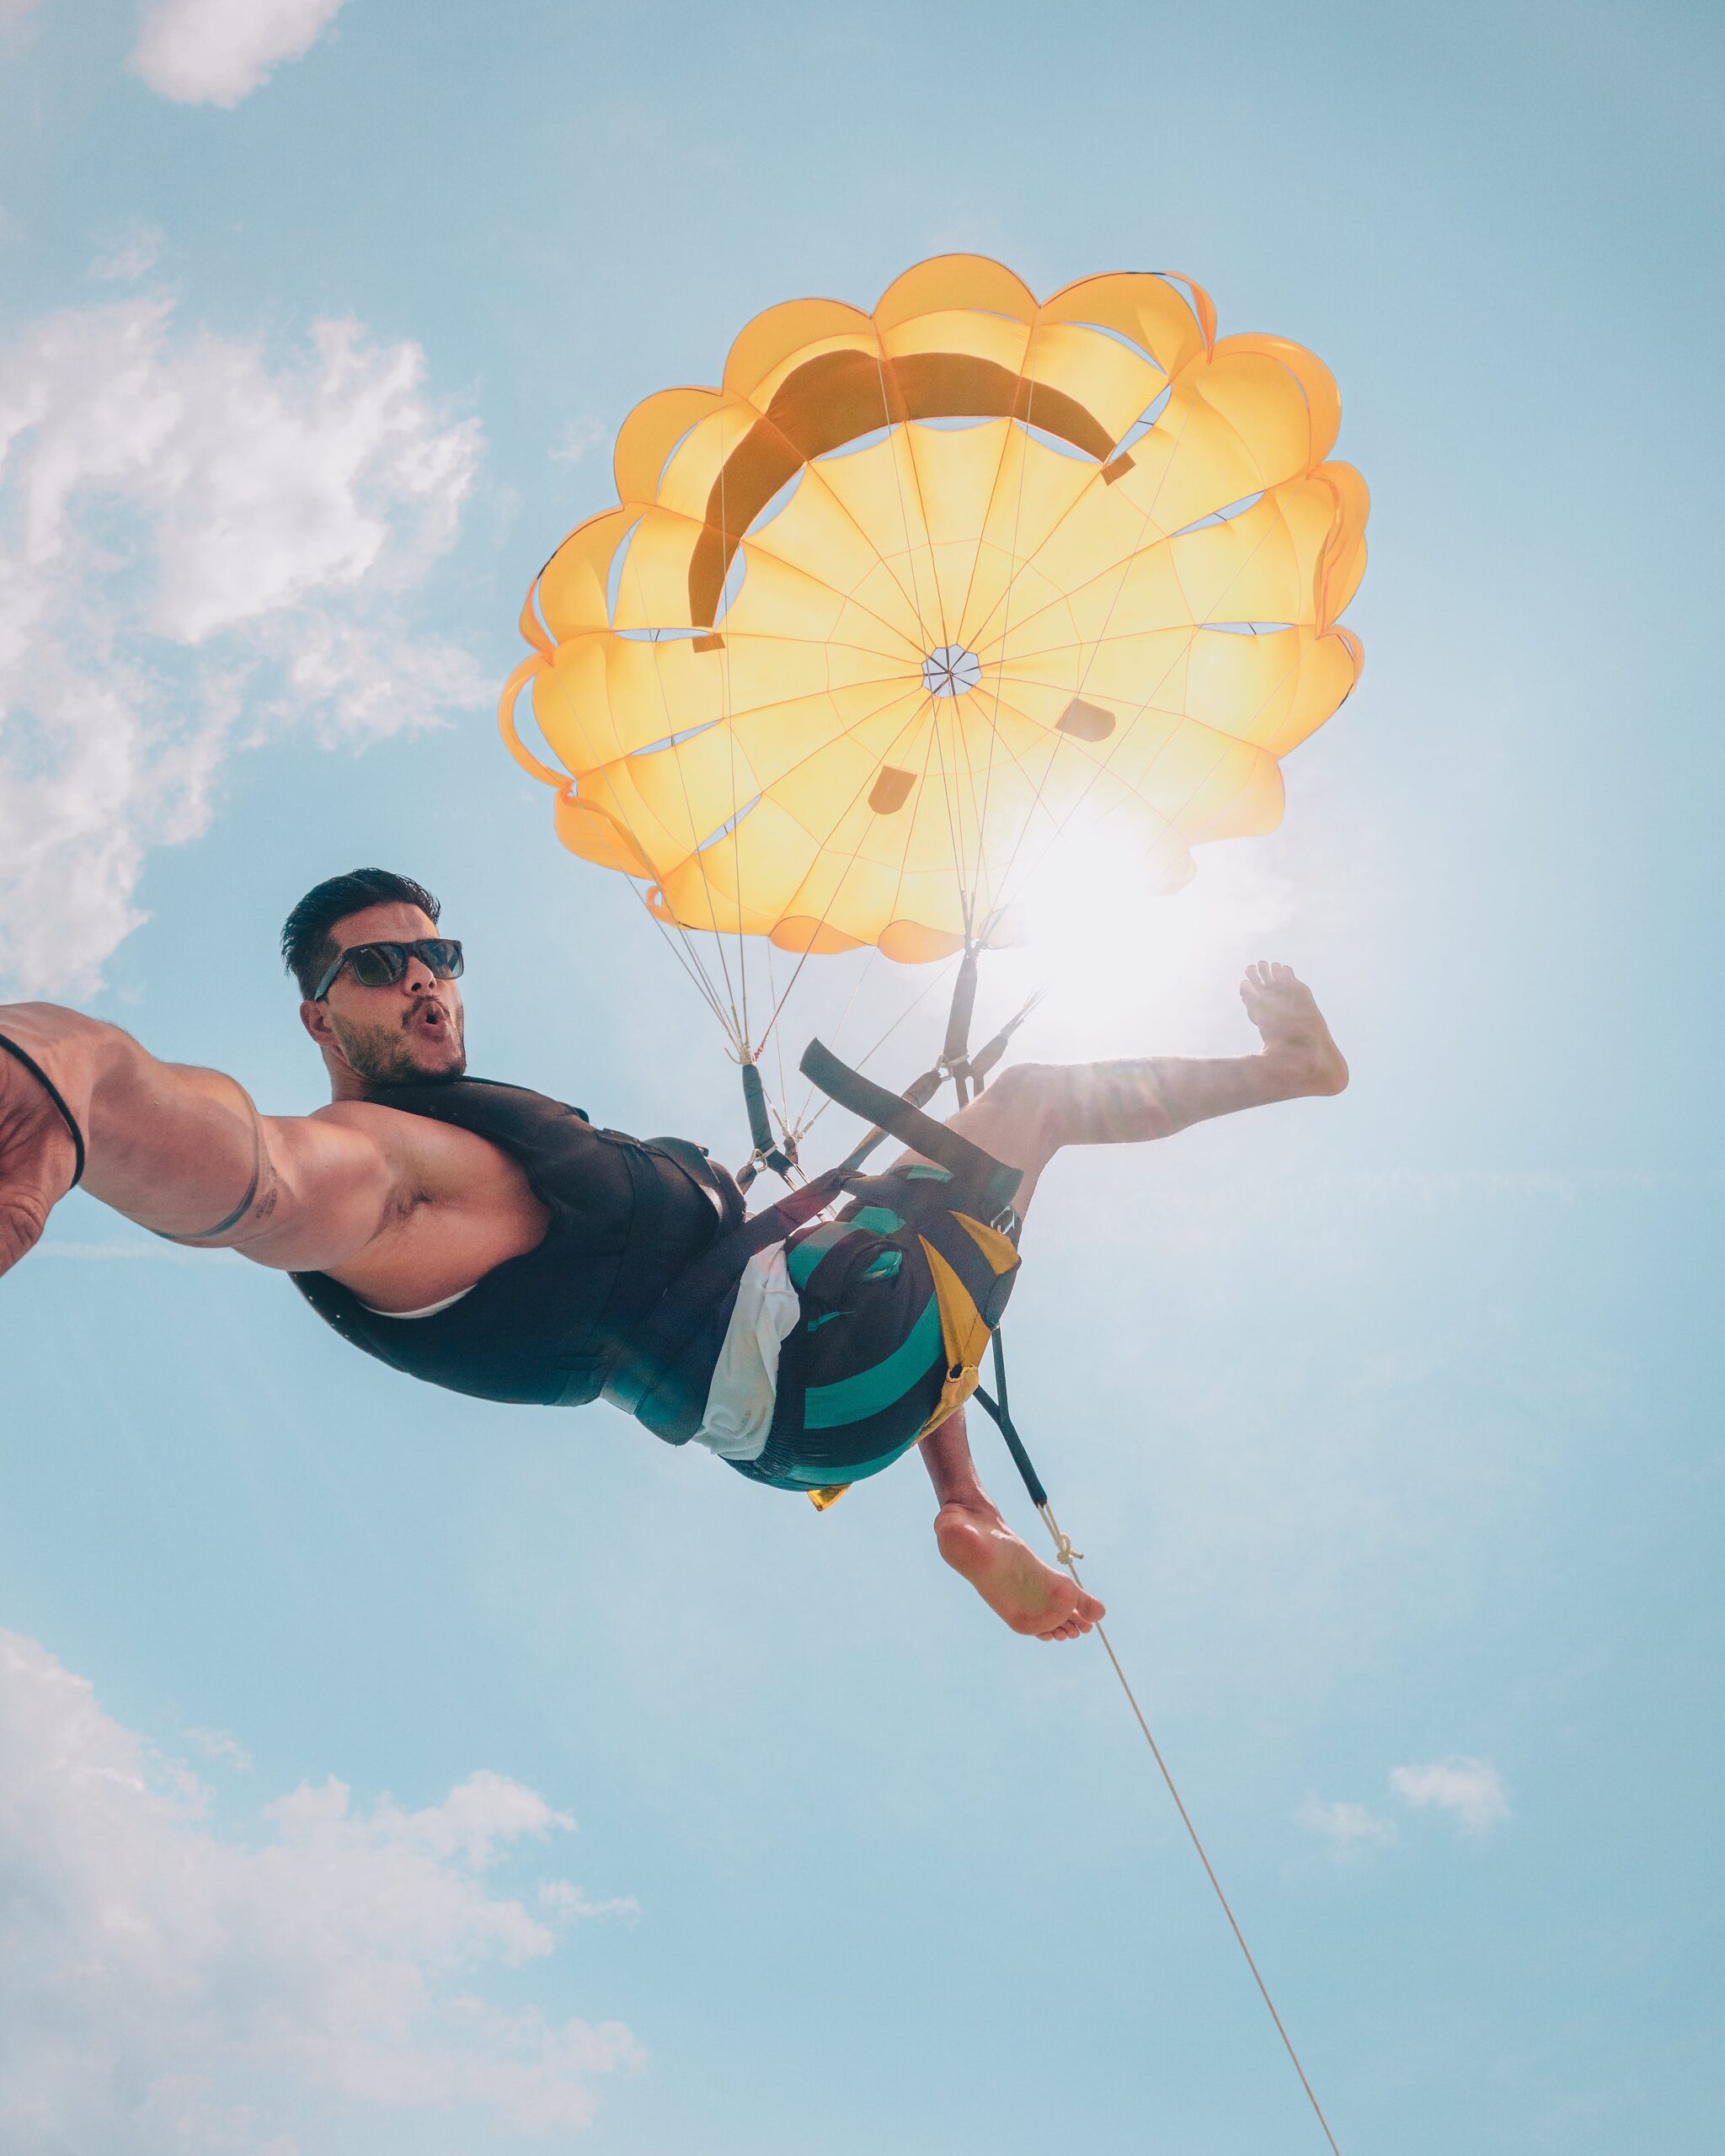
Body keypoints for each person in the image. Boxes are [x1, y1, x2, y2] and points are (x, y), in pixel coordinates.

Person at [0, 868, 1349, 1644]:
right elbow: (265, 1177)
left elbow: (846, 1269)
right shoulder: (398, 1170)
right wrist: (81, 1085)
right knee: (1039, 1099)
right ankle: (1296, 1072)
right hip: (817, 1366)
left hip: (810, 1366)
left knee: (904, 1205)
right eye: (378, 966)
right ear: (319, 1013)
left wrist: (955, 1488)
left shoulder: (496, 1140)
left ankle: (963, 1509)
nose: (422, 979)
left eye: (438, 953)